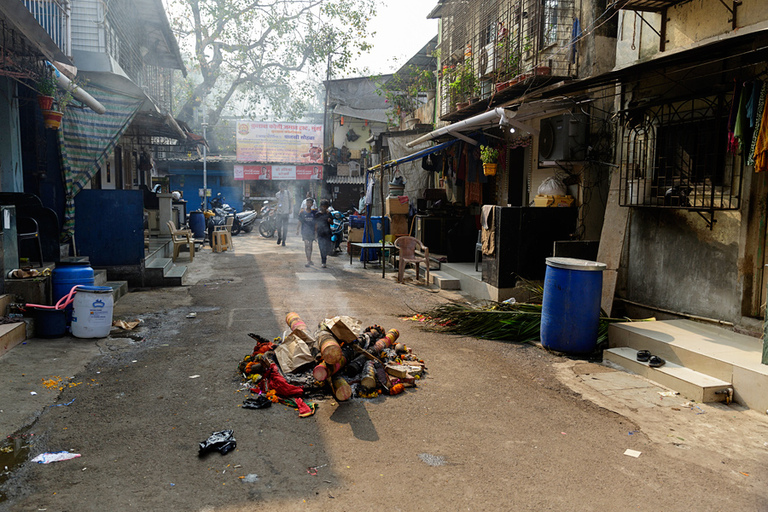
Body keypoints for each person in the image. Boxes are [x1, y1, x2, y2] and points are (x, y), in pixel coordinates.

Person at [315, 199, 333, 268]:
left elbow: (332, 223)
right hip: (320, 233)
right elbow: (316, 224)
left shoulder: (329, 214)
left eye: (326, 206)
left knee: (327, 247)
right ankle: (323, 261)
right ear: (321, 206)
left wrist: (330, 221)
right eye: (323, 206)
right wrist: (315, 233)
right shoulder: (318, 214)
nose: (324, 208)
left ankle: (325, 257)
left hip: (327, 233)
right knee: (322, 248)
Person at [298, 198, 316, 267]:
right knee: (306, 245)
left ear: (312, 204)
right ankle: (308, 260)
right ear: (306, 204)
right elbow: (300, 221)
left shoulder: (314, 213)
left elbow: (316, 223)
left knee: (310, 245)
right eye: (307, 203)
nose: (308, 204)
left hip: (312, 231)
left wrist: (316, 231)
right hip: (304, 231)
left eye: (310, 203)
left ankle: (310, 259)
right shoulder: (302, 212)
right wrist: (297, 229)